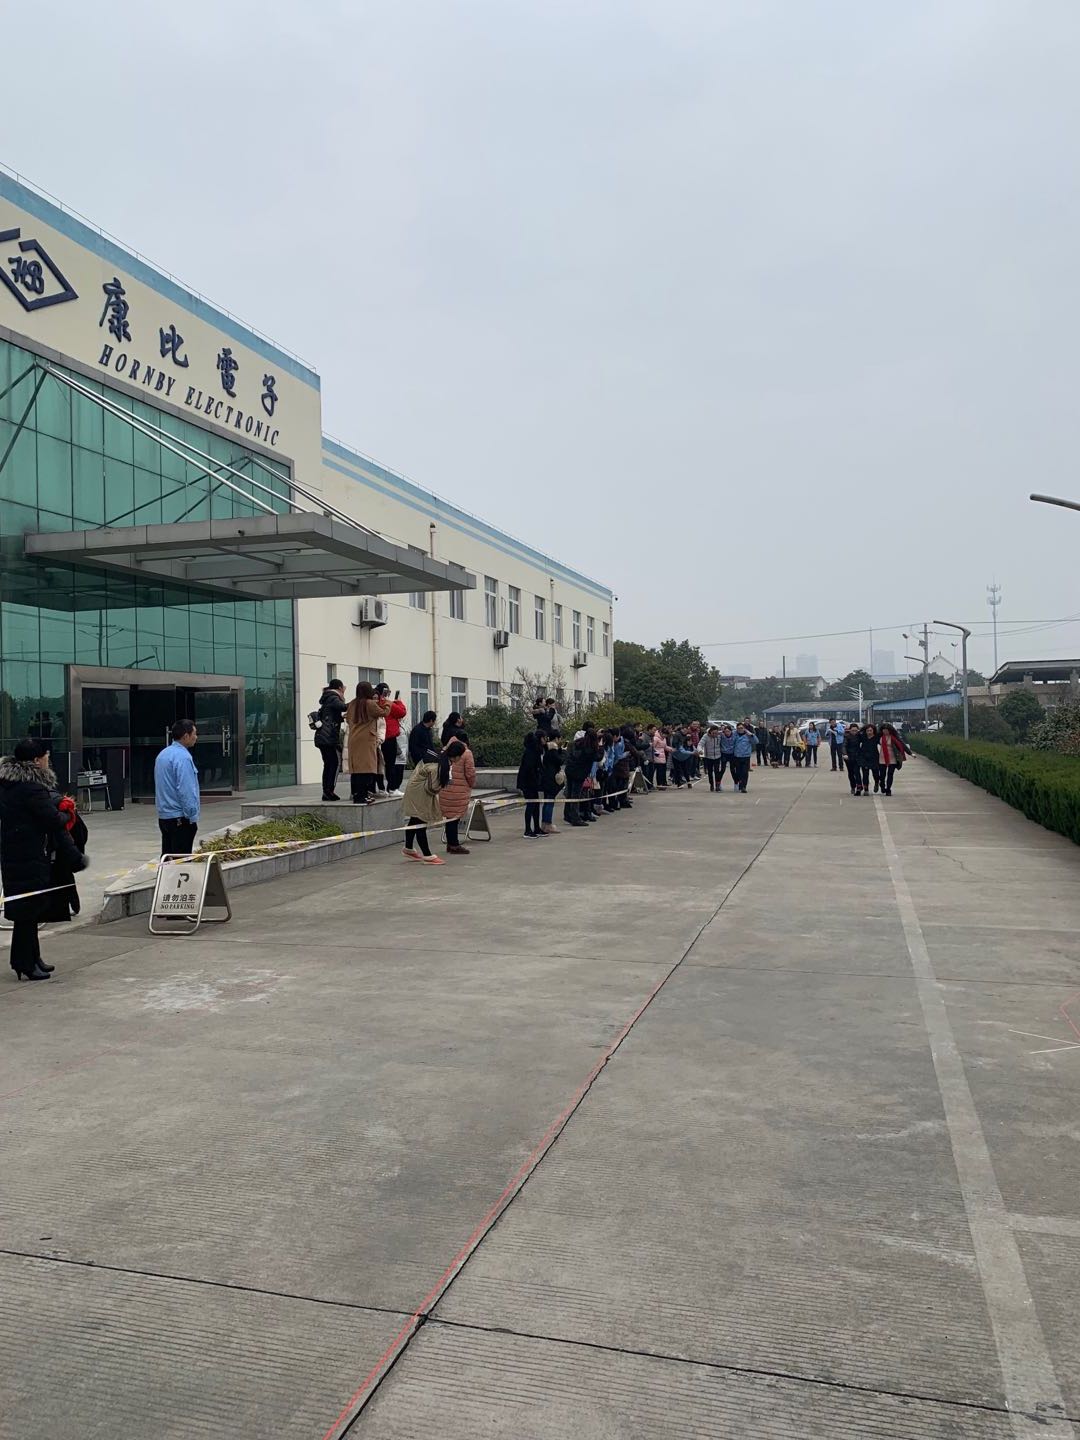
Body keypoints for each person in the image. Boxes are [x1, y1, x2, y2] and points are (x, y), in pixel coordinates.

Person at [0, 738, 88, 981]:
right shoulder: (32, 788)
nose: (48, 759)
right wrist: (67, 812)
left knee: (28, 911)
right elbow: (52, 819)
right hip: (30, 855)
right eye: (46, 756)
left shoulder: (8, 784)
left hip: (14, 853)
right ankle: (25, 963)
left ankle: (32, 957)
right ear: (37, 760)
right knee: (28, 912)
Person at [154, 719, 200, 856]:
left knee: (168, 859)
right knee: (181, 861)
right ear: (186, 736)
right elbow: (186, 789)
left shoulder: (163, 754)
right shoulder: (183, 757)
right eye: (194, 734)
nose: (196, 737)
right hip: (180, 818)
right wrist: (191, 816)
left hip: (164, 816)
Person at [345, 682, 391, 804]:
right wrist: (387, 703)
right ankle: (362, 796)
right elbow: (384, 713)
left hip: (354, 738)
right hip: (366, 739)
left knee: (357, 769)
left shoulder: (352, 704)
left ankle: (358, 795)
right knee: (367, 768)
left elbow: (348, 719)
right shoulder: (369, 703)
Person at [401, 746, 445, 864]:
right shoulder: (436, 766)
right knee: (420, 822)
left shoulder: (432, 757)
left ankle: (408, 848)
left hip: (415, 790)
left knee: (414, 820)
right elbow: (432, 788)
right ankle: (427, 855)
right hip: (420, 794)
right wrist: (441, 786)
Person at [438, 737, 475, 854]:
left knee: (449, 818)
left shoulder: (445, 750)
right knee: (455, 818)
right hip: (459, 790)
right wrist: (471, 784)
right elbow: (470, 773)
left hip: (445, 789)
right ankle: (454, 845)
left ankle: (451, 843)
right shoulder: (466, 753)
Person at [312, 679, 348, 801]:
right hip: (327, 737)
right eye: (343, 688)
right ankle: (328, 791)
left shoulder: (327, 697)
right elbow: (343, 707)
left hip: (323, 736)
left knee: (329, 764)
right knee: (332, 763)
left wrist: (341, 718)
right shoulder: (333, 697)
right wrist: (356, 702)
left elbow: (330, 715)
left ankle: (327, 791)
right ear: (339, 688)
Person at [377, 684, 408, 797]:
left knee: (378, 765)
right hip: (389, 737)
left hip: (378, 737)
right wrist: (398, 701)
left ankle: (380, 788)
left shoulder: (374, 703)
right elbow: (402, 712)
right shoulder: (388, 703)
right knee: (390, 764)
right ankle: (392, 788)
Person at [517, 726, 545, 839]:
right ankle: (527, 830)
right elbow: (529, 769)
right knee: (531, 805)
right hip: (528, 783)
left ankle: (537, 828)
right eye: (544, 738)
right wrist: (536, 780)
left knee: (536, 805)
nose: (545, 740)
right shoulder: (530, 752)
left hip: (532, 783)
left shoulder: (536, 751)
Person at [540, 730, 565, 834]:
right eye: (559, 738)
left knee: (547, 801)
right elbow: (560, 761)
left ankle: (544, 824)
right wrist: (562, 751)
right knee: (550, 802)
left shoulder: (546, 749)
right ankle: (548, 824)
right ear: (556, 738)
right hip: (551, 779)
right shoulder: (553, 750)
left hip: (546, 778)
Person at [878, 723, 910, 796]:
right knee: (882, 775)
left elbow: (902, 744)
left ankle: (888, 789)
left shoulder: (894, 738)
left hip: (893, 758)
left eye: (887, 730)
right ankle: (882, 785)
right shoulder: (879, 737)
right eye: (884, 730)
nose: (885, 731)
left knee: (890, 774)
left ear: (890, 730)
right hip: (882, 758)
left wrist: (910, 753)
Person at [730, 722, 755, 792]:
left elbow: (756, 741)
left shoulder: (748, 735)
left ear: (744, 728)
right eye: (738, 728)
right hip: (737, 756)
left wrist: (751, 735)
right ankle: (739, 783)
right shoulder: (734, 734)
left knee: (745, 772)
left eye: (741, 728)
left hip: (746, 756)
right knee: (738, 772)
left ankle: (743, 786)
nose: (740, 729)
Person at [701, 725, 724, 791]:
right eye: (713, 733)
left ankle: (717, 785)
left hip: (717, 756)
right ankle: (711, 784)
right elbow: (700, 744)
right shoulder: (705, 736)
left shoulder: (719, 736)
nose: (714, 735)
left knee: (717, 771)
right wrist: (699, 750)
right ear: (710, 732)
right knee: (710, 772)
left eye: (716, 733)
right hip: (708, 757)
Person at [845, 721, 864, 795]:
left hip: (857, 756)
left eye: (856, 730)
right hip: (848, 757)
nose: (854, 732)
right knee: (851, 773)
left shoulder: (859, 736)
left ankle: (859, 786)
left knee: (857, 772)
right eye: (853, 730)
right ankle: (853, 786)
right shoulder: (847, 736)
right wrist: (845, 754)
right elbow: (844, 746)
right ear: (850, 730)